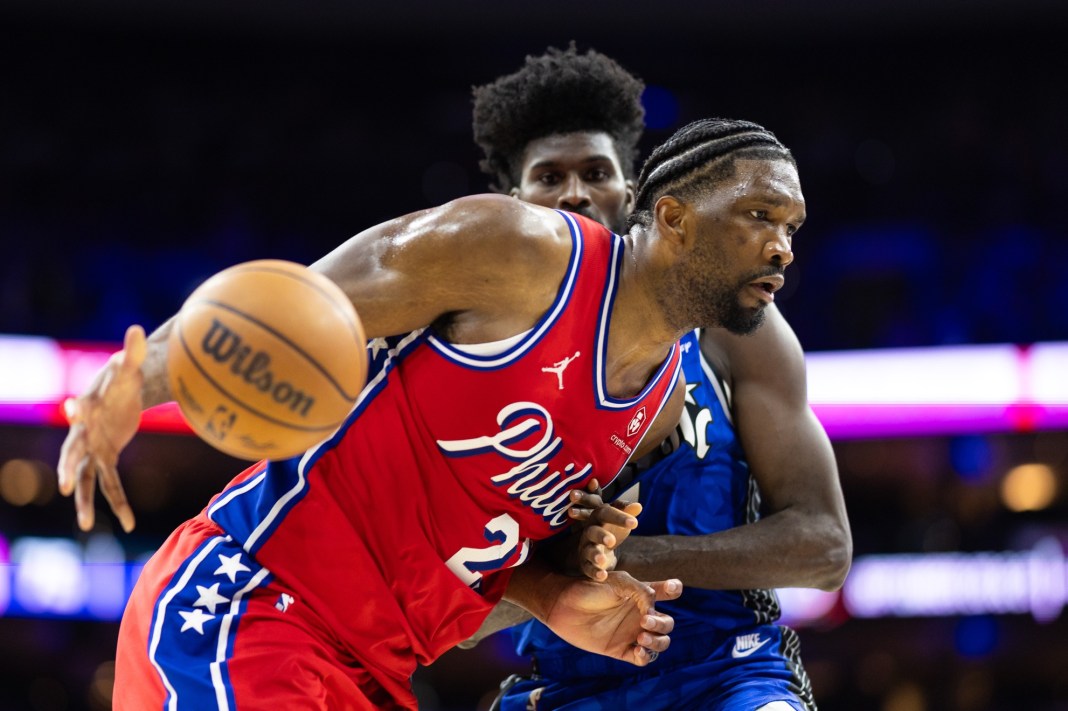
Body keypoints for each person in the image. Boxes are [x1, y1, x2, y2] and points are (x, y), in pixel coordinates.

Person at [52, 113, 806, 709]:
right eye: (760, 216)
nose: (782, 248)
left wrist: (554, 588)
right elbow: (280, 311)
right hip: (254, 603)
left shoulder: (661, 397)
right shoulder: (522, 253)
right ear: (673, 217)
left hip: (376, 672)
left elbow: (478, 540)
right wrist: (138, 379)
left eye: (792, 228)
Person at [467, 45, 852, 710]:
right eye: (549, 176)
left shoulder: (731, 322)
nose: (575, 192)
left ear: (635, 191)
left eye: (595, 171)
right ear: (514, 203)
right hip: (563, 686)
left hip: (729, 672)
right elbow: (456, 619)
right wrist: (563, 574)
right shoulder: (477, 365)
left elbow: (823, 545)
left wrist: (637, 556)